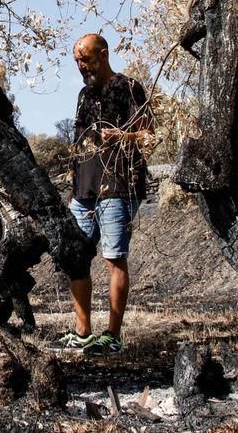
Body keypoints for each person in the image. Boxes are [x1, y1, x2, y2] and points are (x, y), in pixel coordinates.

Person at [58, 33, 153, 355]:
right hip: (83, 188)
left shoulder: (129, 87)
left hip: (119, 185)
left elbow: (149, 136)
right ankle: (83, 331)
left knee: (114, 258)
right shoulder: (84, 95)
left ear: (103, 54)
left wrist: (124, 135)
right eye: (77, 61)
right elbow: (78, 142)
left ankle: (112, 335)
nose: (81, 66)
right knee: (76, 256)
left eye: (85, 58)